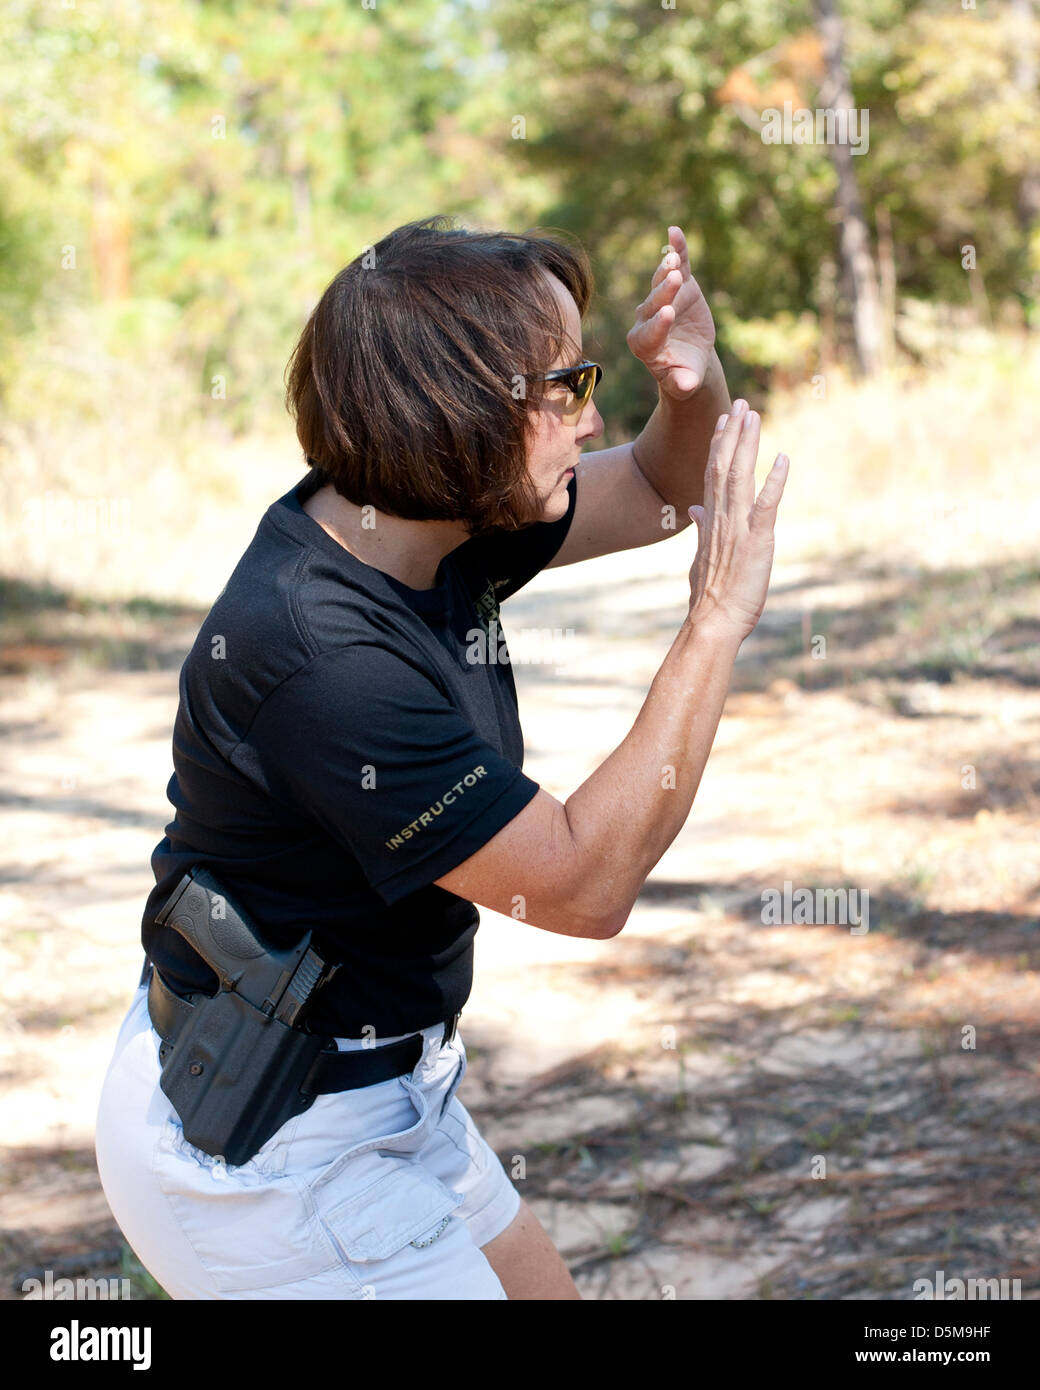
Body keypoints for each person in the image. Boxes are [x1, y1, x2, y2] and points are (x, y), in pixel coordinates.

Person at [94, 214, 789, 1300]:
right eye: (566, 387)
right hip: (270, 1147)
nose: (590, 416)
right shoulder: (321, 655)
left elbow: (663, 489)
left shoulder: (425, 522)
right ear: (457, 412)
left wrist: (690, 385)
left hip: (381, 1089)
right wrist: (713, 622)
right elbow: (582, 884)